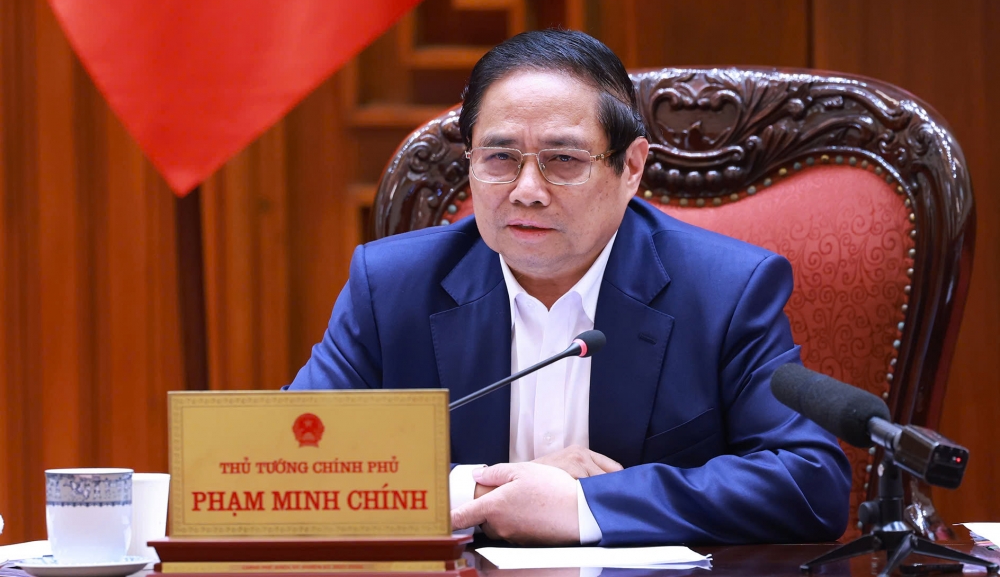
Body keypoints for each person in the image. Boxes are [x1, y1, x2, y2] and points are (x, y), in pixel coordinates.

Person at [286, 29, 851, 546]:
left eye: (562, 159)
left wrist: (583, 505)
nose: (527, 190)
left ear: (631, 168)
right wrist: (482, 492)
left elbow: (809, 482)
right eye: (500, 158)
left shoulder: (724, 291)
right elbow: (290, 462)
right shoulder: (391, 287)